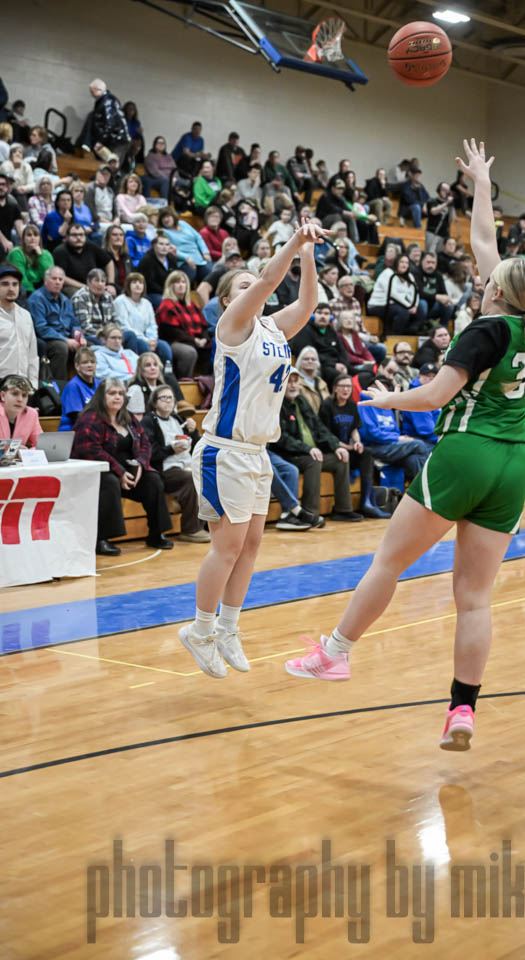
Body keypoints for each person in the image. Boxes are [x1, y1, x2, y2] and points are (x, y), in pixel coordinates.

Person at [284, 139, 525, 756]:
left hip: (466, 453)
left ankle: (336, 652)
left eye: (489, 275)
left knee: (388, 562)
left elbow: (433, 397)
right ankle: (462, 710)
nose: (482, 270)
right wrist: (482, 183)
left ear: (496, 289)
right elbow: (485, 241)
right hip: (513, 463)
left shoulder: (483, 330)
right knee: (474, 599)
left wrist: (384, 399)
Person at [179, 219, 325, 680]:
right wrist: (295, 240)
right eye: (242, 285)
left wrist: (308, 255)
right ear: (229, 299)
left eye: (252, 283)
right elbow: (266, 281)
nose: (254, 287)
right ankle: (200, 630)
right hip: (224, 451)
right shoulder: (233, 325)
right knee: (227, 548)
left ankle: (227, 628)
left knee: (251, 546)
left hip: (257, 451)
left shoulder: (272, 329)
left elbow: (308, 303)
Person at [73, 378, 173, 555]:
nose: (117, 397)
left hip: (130, 471)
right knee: (110, 482)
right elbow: (90, 450)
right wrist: (119, 471)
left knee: (153, 479)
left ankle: (156, 533)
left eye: (120, 393)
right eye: (112, 393)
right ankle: (101, 539)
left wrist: (141, 464)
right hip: (99, 473)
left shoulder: (128, 417)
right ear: (101, 396)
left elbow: (145, 443)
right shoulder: (89, 419)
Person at [270, 368, 362, 523]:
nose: (293, 385)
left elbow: (319, 427)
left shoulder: (301, 401)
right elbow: (281, 438)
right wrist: (308, 449)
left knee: (341, 459)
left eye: (295, 381)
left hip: (310, 451)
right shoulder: (277, 404)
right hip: (290, 454)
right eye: (289, 382)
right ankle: (309, 512)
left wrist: (336, 446)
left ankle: (343, 510)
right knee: (314, 461)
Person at [141, 386, 210, 543]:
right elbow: (150, 452)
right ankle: (191, 529)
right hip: (164, 468)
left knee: (209, 473)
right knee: (190, 478)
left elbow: (195, 444)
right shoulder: (149, 421)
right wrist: (171, 449)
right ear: (154, 402)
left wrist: (193, 431)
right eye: (163, 398)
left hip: (185, 463)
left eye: (170, 398)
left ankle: (207, 523)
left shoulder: (178, 419)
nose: (168, 401)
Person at [319, 373, 390, 518]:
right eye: (342, 386)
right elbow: (325, 434)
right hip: (331, 449)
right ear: (335, 388)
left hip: (347, 448)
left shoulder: (352, 405)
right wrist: (344, 447)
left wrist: (357, 442)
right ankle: (342, 508)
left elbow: (354, 429)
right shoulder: (327, 405)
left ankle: (367, 502)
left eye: (349, 386)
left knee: (367, 454)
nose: (346, 389)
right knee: (344, 457)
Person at [28, 265, 83, 380]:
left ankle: (84, 387)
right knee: (61, 348)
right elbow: (41, 328)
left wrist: (79, 337)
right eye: (54, 279)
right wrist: (66, 340)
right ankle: (58, 386)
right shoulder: (37, 298)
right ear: (45, 280)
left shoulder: (65, 300)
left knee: (87, 347)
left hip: (66, 338)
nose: (57, 282)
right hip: (47, 339)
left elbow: (75, 323)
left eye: (60, 279)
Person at [156, 270, 210, 377]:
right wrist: (194, 340)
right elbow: (171, 331)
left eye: (183, 282)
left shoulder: (192, 305)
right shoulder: (167, 305)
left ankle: (205, 380)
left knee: (214, 347)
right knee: (188, 352)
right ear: (170, 286)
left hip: (194, 341)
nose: (181, 285)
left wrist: (204, 338)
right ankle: (184, 381)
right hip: (173, 342)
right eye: (177, 282)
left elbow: (204, 326)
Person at [114, 272, 171, 364]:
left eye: (140, 283)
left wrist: (152, 339)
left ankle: (166, 372)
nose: (138, 285)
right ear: (128, 285)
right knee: (143, 345)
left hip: (148, 339)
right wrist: (146, 340)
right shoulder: (120, 301)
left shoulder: (147, 303)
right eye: (134, 282)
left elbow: (152, 325)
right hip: (129, 338)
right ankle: (144, 370)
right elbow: (124, 326)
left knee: (164, 347)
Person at [289, 303, 352, 386]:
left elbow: (342, 351)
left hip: (337, 365)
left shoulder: (332, 331)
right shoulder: (304, 330)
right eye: (319, 313)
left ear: (331, 317)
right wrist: (334, 365)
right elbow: (307, 354)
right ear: (313, 315)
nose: (322, 316)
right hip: (321, 366)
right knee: (342, 378)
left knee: (364, 374)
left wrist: (344, 365)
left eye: (326, 313)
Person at [367, 253, 425, 337]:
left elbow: (415, 292)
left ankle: (410, 333)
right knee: (402, 312)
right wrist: (408, 306)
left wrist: (414, 305)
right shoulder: (387, 273)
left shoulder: (409, 276)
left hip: (398, 305)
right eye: (402, 262)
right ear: (396, 263)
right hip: (378, 305)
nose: (404, 265)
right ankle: (396, 337)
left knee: (420, 309)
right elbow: (393, 294)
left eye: (406, 263)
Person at [0, 265, 39, 387]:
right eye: (5, 284)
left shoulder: (25, 315)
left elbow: (32, 355)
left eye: (15, 284)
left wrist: (33, 385)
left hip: (23, 383)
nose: (11, 288)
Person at [53, 224, 114, 297]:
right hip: (71, 286)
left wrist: (111, 284)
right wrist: (86, 287)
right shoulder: (60, 251)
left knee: (110, 294)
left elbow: (109, 262)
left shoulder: (90, 246)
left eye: (81, 235)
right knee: (83, 295)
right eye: (74, 235)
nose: (78, 238)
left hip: (94, 284)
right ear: (67, 237)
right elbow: (61, 277)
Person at [157, 206, 211, 284]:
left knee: (210, 278)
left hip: (199, 259)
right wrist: (186, 258)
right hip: (183, 262)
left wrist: (205, 252)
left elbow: (198, 237)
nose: (166, 219)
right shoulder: (163, 232)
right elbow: (169, 249)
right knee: (189, 275)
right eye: (163, 218)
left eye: (168, 216)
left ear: (173, 216)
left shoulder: (183, 223)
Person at [400, 362, 440, 454]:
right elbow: (426, 429)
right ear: (419, 376)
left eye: (434, 376)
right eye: (427, 375)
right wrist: (443, 440)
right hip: (422, 440)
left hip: (431, 438)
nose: (431, 379)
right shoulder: (416, 396)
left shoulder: (432, 394)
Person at [88, 79, 130, 165]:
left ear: (99, 90)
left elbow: (109, 124)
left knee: (112, 165)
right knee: (109, 164)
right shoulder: (105, 100)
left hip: (116, 139)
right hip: (114, 138)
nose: (91, 94)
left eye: (92, 91)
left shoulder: (107, 102)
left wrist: (101, 140)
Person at [59, 347, 100, 430]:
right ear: (77, 366)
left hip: (95, 427)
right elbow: (76, 417)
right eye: (85, 362)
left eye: (92, 362)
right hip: (73, 430)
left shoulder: (100, 384)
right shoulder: (73, 386)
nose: (89, 365)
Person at [7, 224, 53, 294]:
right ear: (23, 238)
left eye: (36, 235)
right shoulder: (16, 253)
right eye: (29, 235)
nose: (32, 238)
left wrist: (41, 256)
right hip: (23, 288)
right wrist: (34, 294)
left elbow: (49, 276)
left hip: (43, 287)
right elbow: (20, 277)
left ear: (40, 238)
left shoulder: (46, 254)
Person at [138, 232, 178, 309]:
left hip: (169, 292)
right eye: (161, 244)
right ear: (154, 246)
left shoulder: (171, 258)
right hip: (152, 293)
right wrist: (167, 292)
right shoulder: (147, 260)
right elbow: (149, 283)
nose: (164, 247)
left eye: (167, 244)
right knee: (164, 302)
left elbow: (176, 276)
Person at [0, 374, 41, 447]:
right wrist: (12, 449)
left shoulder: (31, 414)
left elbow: (41, 445)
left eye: (24, 395)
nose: (20, 399)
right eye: (15, 394)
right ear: (3, 396)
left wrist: (26, 452)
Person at [295, 345, 330, 413]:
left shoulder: (322, 383)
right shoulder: (296, 382)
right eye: (306, 359)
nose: (310, 361)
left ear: (317, 363)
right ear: (300, 361)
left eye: (313, 359)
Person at [85, 164, 119, 233]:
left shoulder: (110, 191)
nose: (104, 176)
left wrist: (116, 219)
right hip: (97, 222)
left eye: (107, 174)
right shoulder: (90, 188)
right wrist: (109, 224)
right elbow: (91, 212)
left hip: (110, 223)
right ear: (96, 174)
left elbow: (115, 212)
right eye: (102, 173)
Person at [425, 181, 456, 254]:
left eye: (447, 190)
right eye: (443, 190)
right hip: (432, 232)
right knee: (430, 254)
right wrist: (446, 203)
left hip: (444, 234)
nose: (446, 192)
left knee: (440, 255)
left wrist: (451, 206)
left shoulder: (449, 204)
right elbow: (433, 211)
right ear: (438, 190)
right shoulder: (432, 200)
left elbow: (453, 218)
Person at [0, 172, 23, 252]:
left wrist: (25, 243)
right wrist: (4, 241)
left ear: (7, 187)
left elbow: (19, 226)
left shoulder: (13, 204)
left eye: (3, 184)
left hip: (8, 243)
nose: (1, 187)